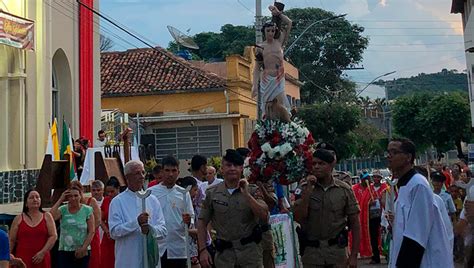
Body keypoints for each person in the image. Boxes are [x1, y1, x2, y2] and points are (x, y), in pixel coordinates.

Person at [386, 138, 453, 267]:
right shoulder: (404, 186)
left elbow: (416, 235)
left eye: (394, 152)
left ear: (408, 157)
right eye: (388, 152)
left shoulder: (418, 185)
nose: (389, 156)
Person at [198, 149, 269, 268]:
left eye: (236, 165)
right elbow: (202, 222)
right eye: (228, 165)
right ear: (222, 169)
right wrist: (202, 250)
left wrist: (246, 194)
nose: (232, 168)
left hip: (250, 255)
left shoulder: (252, 190)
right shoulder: (212, 193)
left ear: (242, 168)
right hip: (225, 256)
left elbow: (264, 215)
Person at [293, 146, 360, 268]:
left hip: (336, 252)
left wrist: (354, 255)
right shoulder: (303, 188)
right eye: (314, 164)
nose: (316, 167)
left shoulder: (344, 189)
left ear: (331, 166)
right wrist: (308, 191)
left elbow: (355, 223)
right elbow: (298, 217)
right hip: (312, 253)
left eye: (321, 163)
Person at [108, 160, 167, 268]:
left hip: (150, 260)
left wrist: (150, 229)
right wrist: (136, 223)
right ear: (127, 177)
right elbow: (114, 232)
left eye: (143, 172)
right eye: (137, 173)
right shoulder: (118, 202)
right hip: (128, 260)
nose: (141, 176)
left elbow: (163, 230)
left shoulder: (152, 200)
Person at [149, 155, 195, 267]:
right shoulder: (151, 193)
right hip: (158, 247)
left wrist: (188, 221)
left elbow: (191, 218)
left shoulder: (183, 193)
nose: (170, 174)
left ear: (178, 172)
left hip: (178, 248)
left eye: (173, 170)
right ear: (162, 171)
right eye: (167, 170)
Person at [252, 5, 292, 122]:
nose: (271, 33)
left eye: (273, 30)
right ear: (264, 31)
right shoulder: (260, 47)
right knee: (268, 107)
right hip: (266, 79)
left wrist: (278, 13)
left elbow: (289, 23)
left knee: (280, 104)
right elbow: (257, 67)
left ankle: (286, 127)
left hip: (279, 78)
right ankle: (269, 130)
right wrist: (254, 85)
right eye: (268, 31)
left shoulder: (279, 42)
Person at [9, 190, 57, 268]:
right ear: (26, 203)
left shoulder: (47, 216)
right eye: (31, 197)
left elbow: (53, 236)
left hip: (42, 258)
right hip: (22, 259)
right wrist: (7, 255)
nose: (35, 199)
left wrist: (42, 252)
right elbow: (12, 240)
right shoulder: (18, 219)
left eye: (37, 197)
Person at [50, 185, 95, 268]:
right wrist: (60, 199)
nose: (73, 198)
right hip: (65, 250)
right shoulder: (63, 209)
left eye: (76, 195)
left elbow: (91, 231)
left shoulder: (87, 210)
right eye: (70, 196)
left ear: (80, 196)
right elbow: (51, 217)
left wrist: (84, 248)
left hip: (82, 250)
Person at [69, 181, 101, 268]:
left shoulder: (91, 201)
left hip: (91, 237)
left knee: (92, 262)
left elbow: (98, 220)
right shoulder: (71, 204)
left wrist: (87, 232)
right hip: (77, 239)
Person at [176, 176, 201, 268]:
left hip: (192, 248)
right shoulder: (182, 205)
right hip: (186, 249)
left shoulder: (194, 205)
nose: (197, 193)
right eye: (195, 190)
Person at [100, 177, 121, 268]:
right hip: (108, 236)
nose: (110, 194)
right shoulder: (106, 200)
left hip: (120, 236)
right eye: (108, 192)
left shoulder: (122, 200)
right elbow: (100, 219)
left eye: (112, 191)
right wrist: (107, 231)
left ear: (118, 189)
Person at [368, 170, 388, 264]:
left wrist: (381, 200)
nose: (376, 179)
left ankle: (387, 254)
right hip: (373, 216)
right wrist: (369, 203)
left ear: (380, 178)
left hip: (383, 215)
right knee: (373, 237)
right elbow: (363, 202)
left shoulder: (385, 188)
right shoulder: (369, 188)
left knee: (385, 235)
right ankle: (375, 256)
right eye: (374, 177)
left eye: (378, 177)